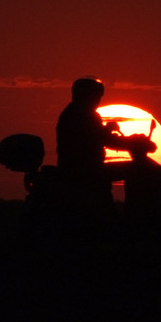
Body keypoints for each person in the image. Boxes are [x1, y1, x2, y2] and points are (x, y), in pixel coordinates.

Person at [54, 77, 132, 228]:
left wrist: (108, 130)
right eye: (95, 95)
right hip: (86, 171)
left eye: (98, 96)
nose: (97, 99)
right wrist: (133, 143)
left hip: (78, 169)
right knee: (133, 170)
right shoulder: (83, 114)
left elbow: (94, 135)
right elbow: (104, 139)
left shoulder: (75, 112)